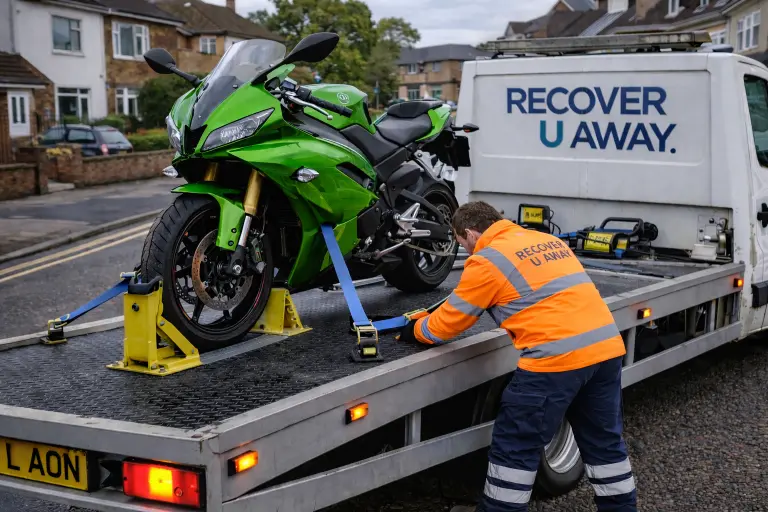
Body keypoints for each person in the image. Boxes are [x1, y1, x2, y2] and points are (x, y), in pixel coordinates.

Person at [399, 201, 637, 512]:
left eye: (462, 244)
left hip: (554, 363)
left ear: (470, 233)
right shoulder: (545, 240)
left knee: (516, 451)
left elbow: (446, 325)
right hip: (605, 352)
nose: (466, 252)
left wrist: (414, 329)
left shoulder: (487, 260)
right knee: (605, 447)